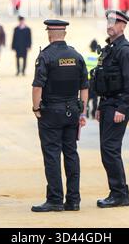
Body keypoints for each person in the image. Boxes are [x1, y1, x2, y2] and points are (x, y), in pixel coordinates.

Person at [31, 19, 88, 212]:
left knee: (52, 155)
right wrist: (83, 111)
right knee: (71, 154)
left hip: (51, 113)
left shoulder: (45, 56)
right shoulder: (76, 55)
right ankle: (73, 200)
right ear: (64, 33)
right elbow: (84, 87)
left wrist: (36, 109)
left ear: (49, 33)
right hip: (72, 110)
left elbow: (37, 86)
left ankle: (55, 199)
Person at [92, 10, 129, 208]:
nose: (110, 25)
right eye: (108, 22)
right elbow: (104, 80)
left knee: (110, 149)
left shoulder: (125, 50)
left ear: (123, 26)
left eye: (114, 22)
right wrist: (101, 106)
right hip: (108, 103)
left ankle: (119, 194)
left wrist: (122, 108)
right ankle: (117, 192)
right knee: (107, 149)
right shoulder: (110, 48)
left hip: (118, 104)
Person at [84, 39, 99, 119]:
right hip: (95, 80)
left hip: (87, 80)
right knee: (95, 97)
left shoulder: (86, 56)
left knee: (86, 96)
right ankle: (93, 114)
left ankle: (86, 112)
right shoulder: (98, 57)